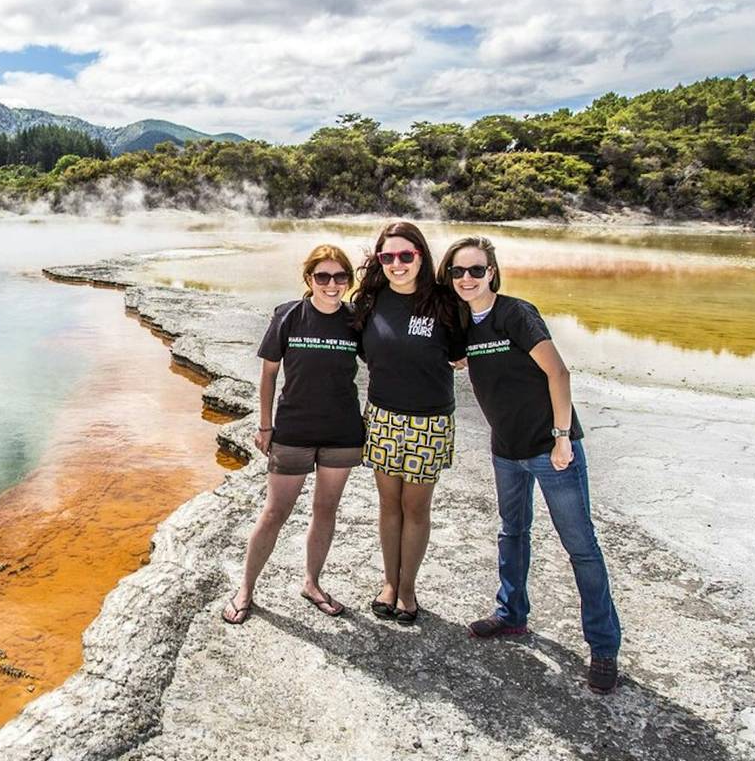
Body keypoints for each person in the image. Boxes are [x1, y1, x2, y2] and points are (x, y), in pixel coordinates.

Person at [439, 235, 623, 694]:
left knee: (580, 547)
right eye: (457, 272)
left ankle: (603, 648)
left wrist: (562, 439)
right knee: (512, 532)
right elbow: (459, 356)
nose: (466, 279)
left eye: (475, 270)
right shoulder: (467, 323)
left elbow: (558, 372)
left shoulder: (515, 313)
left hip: (549, 449)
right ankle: (511, 614)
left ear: (492, 273)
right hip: (506, 450)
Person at [223, 244, 366, 624]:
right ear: (309, 279)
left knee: (325, 510)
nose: (332, 285)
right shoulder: (288, 316)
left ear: (348, 281)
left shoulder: (356, 320)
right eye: (323, 277)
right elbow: (269, 374)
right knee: (274, 512)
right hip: (293, 430)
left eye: (340, 277)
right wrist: (265, 425)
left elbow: (390, 356)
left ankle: (312, 583)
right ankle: (246, 589)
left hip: (342, 432)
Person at [351, 221, 464, 625]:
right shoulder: (370, 302)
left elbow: (468, 346)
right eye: (388, 257)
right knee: (388, 506)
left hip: (429, 422)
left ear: (420, 256)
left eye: (405, 255)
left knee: (415, 508)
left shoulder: (445, 302)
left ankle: (408, 587)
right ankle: (388, 581)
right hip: (382, 417)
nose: (397, 264)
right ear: (379, 261)